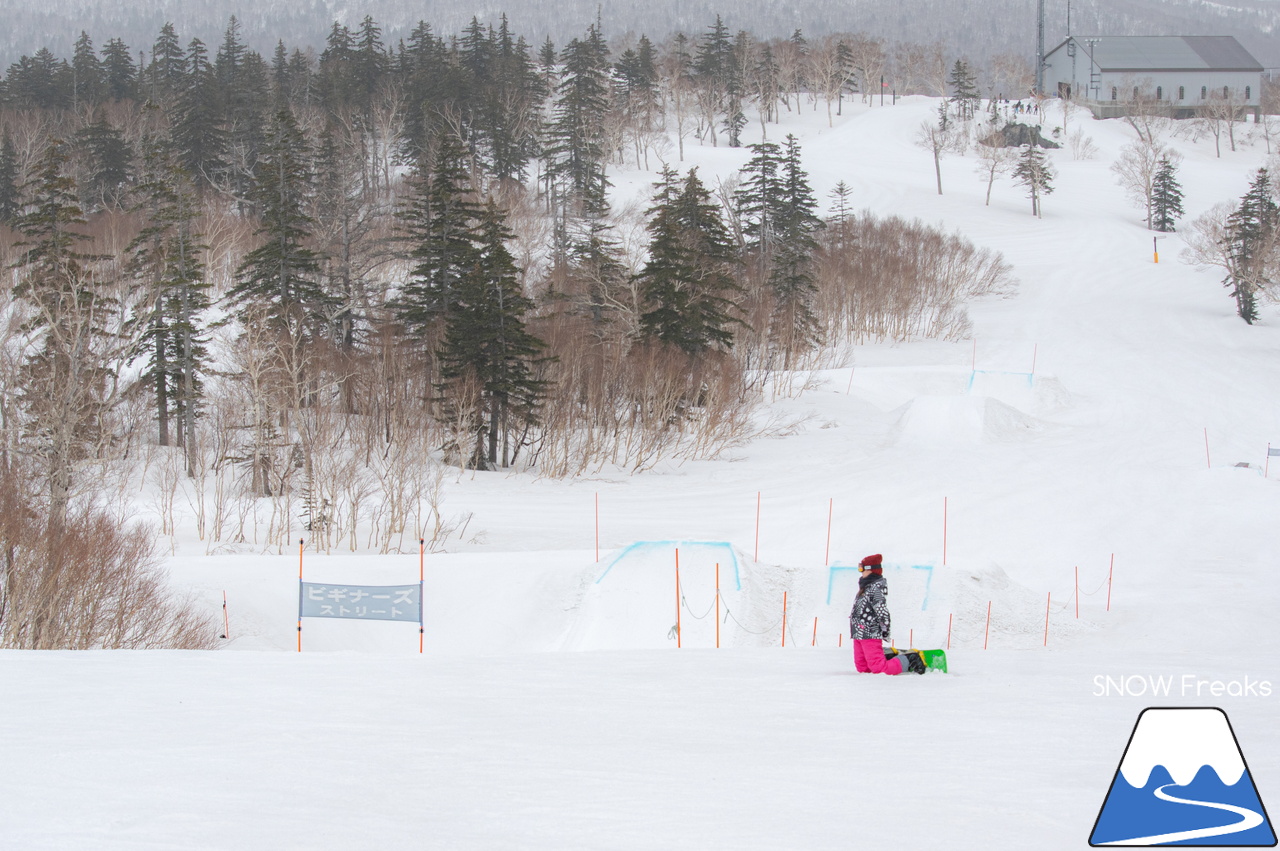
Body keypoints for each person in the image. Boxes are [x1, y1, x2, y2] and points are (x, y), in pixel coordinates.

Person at [849, 554, 925, 675]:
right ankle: (887, 655)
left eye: (862, 568)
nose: (861, 572)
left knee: (879, 669)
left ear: (870, 569)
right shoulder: (865, 587)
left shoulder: (876, 588)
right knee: (863, 668)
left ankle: (910, 659)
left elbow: (882, 611)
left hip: (870, 632)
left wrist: (884, 629)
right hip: (858, 632)